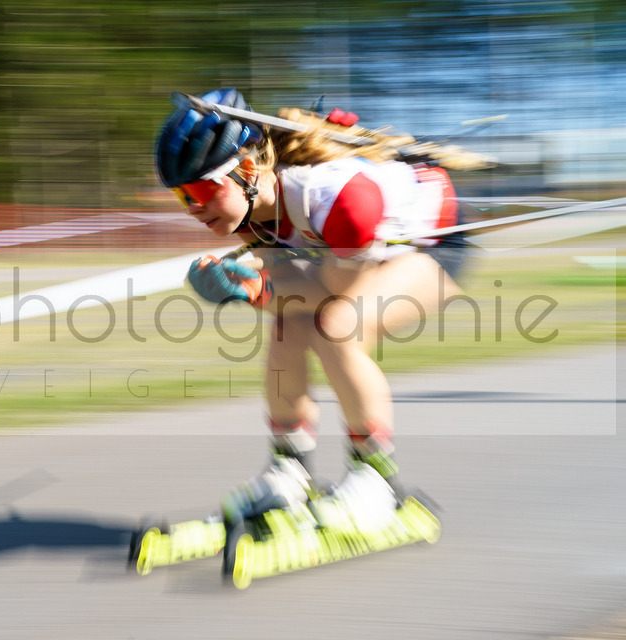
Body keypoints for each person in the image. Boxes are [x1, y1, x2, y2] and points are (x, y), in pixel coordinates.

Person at [156, 88, 483, 531]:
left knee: (340, 327)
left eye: (199, 189)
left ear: (249, 168)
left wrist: (251, 290)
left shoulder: (336, 197)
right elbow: (288, 282)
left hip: (435, 243)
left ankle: (376, 482)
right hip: (361, 248)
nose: (194, 208)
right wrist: (248, 280)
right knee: (287, 326)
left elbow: (330, 292)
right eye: (181, 196)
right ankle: (288, 471)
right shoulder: (249, 207)